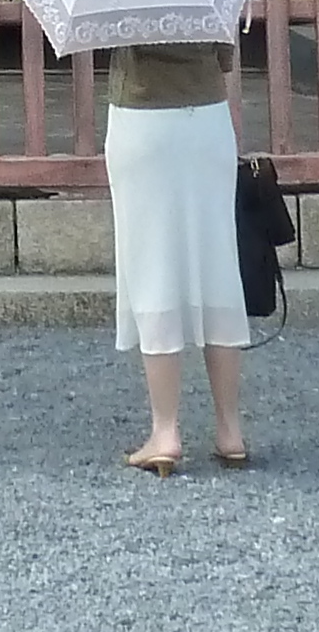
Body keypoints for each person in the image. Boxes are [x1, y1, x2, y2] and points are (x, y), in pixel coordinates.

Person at [104, 33, 250, 471]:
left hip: (142, 113)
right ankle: (229, 429)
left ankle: (165, 430)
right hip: (207, 119)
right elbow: (225, 59)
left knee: (153, 264)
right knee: (217, 263)